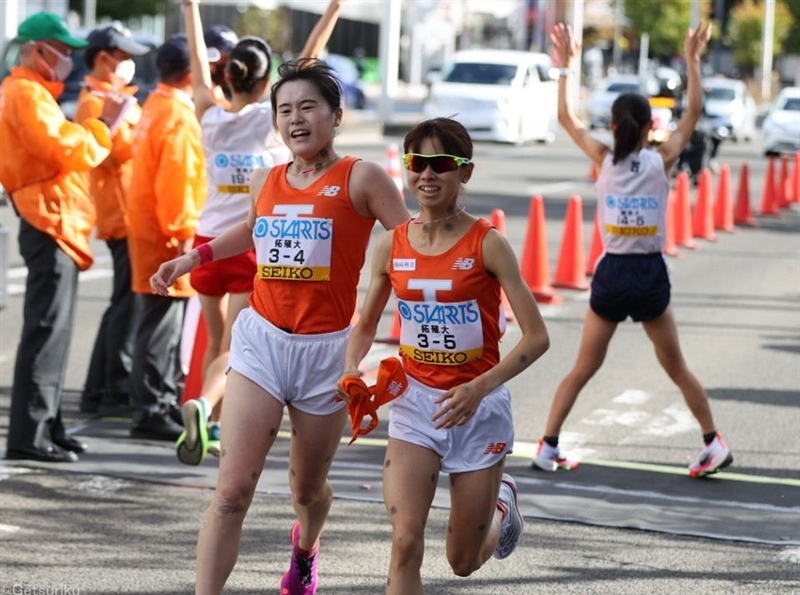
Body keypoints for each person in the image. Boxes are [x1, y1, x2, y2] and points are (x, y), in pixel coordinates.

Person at [149, 58, 409, 594]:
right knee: (230, 492)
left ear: (336, 117)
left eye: (308, 107)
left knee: (308, 491)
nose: (295, 118)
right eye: (284, 109)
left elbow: (409, 246)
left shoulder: (362, 176)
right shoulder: (267, 178)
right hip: (262, 342)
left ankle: (305, 550)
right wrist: (192, 259)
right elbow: (250, 233)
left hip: (325, 354)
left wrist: (407, 324)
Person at [338, 117, 550, 594]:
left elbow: (537, 338)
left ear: (465, 173)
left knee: (462, 562)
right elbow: (366, 324)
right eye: (417, 163)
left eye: (441, 164)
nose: (426, 175)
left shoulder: (488, 244)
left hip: (479, 410)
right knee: (405, 541)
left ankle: (501, 508)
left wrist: (478, 387)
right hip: (415, 407)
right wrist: (352, 368)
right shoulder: (390, 246)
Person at [533, 22, 733, 479]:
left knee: (582, 369)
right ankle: (711, 442)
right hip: (649, 275)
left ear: (613, 126)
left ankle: (547, 446)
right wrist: (693, 59)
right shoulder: (660, 159)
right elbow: (695, 112)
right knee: (677, 367)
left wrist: (565, 67)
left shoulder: (603, 159)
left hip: (611, 275)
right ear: (649, 127)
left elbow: (566, 118)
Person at [176, 0, 348, 464]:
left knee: (215, 342)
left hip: (206, 241)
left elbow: (196, 59)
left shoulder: (208, 116)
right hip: (250, 244)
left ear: (226, 77)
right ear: (265, 81)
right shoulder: (271, 122)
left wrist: (190, 8)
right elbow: (310, 57)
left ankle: (210, 421)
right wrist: (331, 11)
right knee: (234, 350)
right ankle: (207, 406)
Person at [0, 12, 127, 462]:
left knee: (56, 329)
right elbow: (65, 149)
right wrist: (103, 125)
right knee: (46, 330)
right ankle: (29, 435)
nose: (70, 58)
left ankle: (47, 425)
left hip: (57, 222)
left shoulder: (32, 92)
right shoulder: (23, 92)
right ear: (38, 51)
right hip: (46, 221)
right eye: (64, 50)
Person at [126, 33, 207, 441]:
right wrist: (180, 234)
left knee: (154, 321)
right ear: (191, 71)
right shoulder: (176, 114)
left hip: (147, 226)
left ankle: (151, 403)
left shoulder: (154, 105)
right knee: (162, 324)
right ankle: (152, 407)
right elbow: (176, 179)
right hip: (166, 231)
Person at [76, 24, 151, 417]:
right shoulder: (96, 102)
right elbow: (116, 152)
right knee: (125, 304)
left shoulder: (114, 98)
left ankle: (103, 388)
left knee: (124, 302)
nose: (130, 63)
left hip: (128, 211)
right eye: (123, 56)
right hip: (122, 213)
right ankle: (110, 389)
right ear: (105, 58)